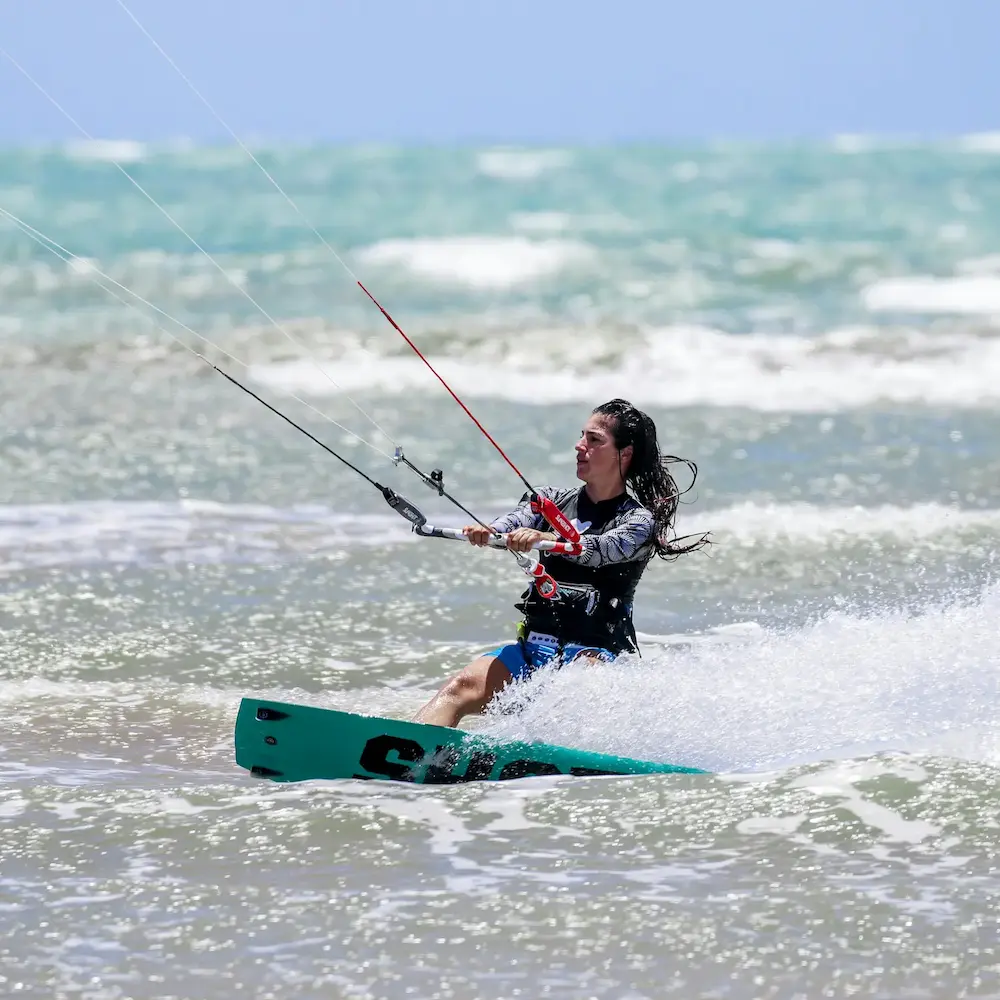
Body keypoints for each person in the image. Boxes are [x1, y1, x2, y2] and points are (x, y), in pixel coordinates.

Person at [414, 398, 709, 728]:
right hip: (531, 651)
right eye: (582, 436)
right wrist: (490, 532)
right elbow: (512, 523)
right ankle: (410, 757)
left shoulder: (639, 521)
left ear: (624, 454)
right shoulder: (549, 500)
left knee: (563, 706)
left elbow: (599, 550)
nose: (580, 446)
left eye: (594, 440)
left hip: (594, 660)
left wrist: (541, 539)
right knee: (458, 689)